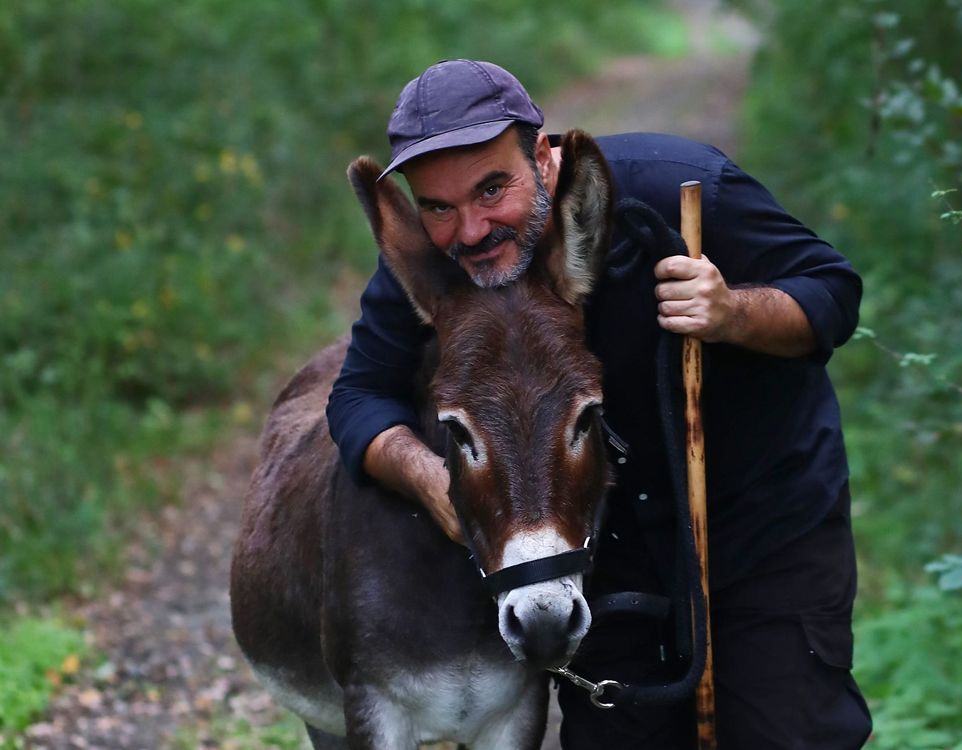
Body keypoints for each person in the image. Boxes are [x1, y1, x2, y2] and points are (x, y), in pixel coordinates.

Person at [326, 59, 871, 749]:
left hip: (756, 526)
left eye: (492, 189)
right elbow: (358, 397)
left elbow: (832, 293)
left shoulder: (676, 187)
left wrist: (733, 312)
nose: (469, 230)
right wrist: (434, 481)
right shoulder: (434, 269)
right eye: (438, 206)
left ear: (545, 159)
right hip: (600, 556)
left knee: (783, 734)